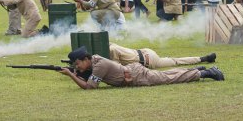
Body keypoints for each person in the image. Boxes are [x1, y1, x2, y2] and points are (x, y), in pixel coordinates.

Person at [58, 46, 225, 90]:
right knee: (167, 74)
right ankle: (200, 69)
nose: (77, 67)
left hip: (136, 75)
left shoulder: (99, 65)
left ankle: (207, 73)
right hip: (135, 71)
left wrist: (71, 75)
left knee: (169, 78)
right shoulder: (95, 61)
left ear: (85, 59)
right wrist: (75, 73)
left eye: (78, 64)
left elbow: (89, 87)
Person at [109, 42, 216, 69]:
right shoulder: (112, 45)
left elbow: (117, 69)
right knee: (175, 61)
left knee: (175, 62)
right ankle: (203, 58)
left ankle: (203, 58)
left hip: (148, 61)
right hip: (147, 52)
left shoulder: (112, 49)